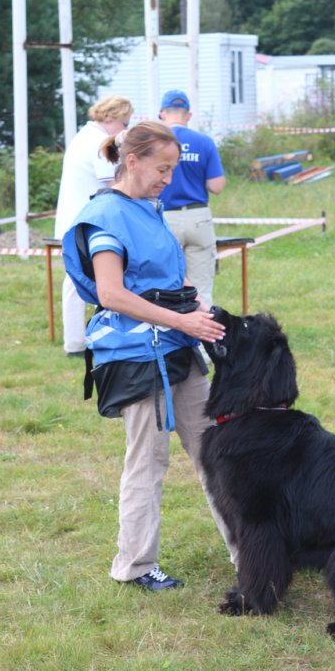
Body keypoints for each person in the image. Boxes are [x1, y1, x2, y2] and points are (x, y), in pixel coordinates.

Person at [62, 120, 236, 590]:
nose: (168, 178)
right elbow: (111, 293)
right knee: (147, 461)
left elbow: (167, 277)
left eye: (173, 169)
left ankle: (252, 554)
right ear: (131, 161)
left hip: (178, 349)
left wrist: (198, 306)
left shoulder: (149, 208)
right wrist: (182, 321)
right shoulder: (105, 216)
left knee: (217, 453)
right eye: (162, 168)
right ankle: (135, 566)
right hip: (137, 358)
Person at [55, 95, 134, 356]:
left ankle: (75, 340)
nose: (124, 129)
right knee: (84, 282)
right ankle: (78, 343)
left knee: (76, 281)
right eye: (124, 123)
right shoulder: (101, 142)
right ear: (111, 117)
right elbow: (114, 185)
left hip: (76, 219)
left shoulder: (82, 137)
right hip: (88, 222)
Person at [158, 90, 225, 310]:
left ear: (162, 114)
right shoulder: (204, 142)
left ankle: (170, 340)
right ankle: (206, 341)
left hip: (164, 217)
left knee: (166, 286)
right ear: (188, 115)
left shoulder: (155, 144)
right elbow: (217, 186)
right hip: (198, 217)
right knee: (201, 290)